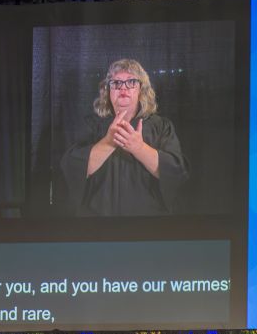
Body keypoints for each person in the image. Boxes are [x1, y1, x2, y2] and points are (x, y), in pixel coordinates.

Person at [60, 59, 188, 216]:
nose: (123, 88)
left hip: (149, 226)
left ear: (141, 89)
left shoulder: (160, 127)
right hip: (97, 226)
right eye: (116, 83)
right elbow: (73, 170)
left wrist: (139, 148)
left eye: (131, 82)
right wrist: (108, 142)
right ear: (108, 91)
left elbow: (175, 173)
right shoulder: (91, 125)